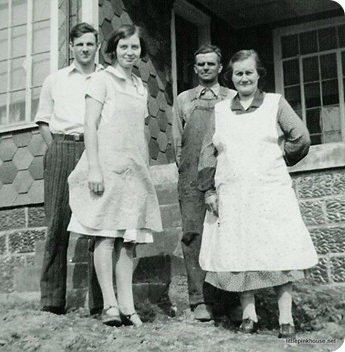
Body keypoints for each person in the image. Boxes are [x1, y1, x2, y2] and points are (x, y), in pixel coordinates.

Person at [198, 49, 318, 338]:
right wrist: (210, 190)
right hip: (233, 196)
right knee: (241, 253)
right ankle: (249, 315)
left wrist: (279, 160)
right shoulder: (221, 110)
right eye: (238, 73)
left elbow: (300, 137)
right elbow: (207, 152)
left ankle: (285, 318)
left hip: (270, 193)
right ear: (231, 77)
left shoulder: (275, 104)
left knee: (279, 251)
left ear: (258, 74)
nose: (243, 78)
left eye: (249, 72)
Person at [67, 24, 163, 327]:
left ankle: (127, 306)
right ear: (113, 49)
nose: (129, 53)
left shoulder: (140, 86)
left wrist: (144, 170)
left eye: (135, 48)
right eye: (123, 47)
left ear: (140, 51)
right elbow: (90, 124)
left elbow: (140, 132)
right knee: (106, 236)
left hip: (133, 171)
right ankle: (109, 305)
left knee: (128, 242)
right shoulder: (101, 80)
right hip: (106, 167)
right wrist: (94, 167)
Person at [36, 22, 104, 315]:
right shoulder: (56, 79)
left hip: (96, 151)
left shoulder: (108, 78)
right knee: (56, 225)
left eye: (90, 44)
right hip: (62, 147)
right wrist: (56, 148)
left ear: (97, 46)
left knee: (99, 224)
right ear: (72, 48)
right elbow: (43, 120)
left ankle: (100, 303)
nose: (85, 49)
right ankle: (52, 301)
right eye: (80, 44)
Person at [172, 44, 237, 321]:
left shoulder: (233, 96)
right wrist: (189, 173)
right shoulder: (183, 99)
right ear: (195, 68)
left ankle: (233, 299)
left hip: (226, 174)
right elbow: (178, 143)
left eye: (211, 63)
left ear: (220, 67)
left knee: (229, 234)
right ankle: (200, 300)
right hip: (190, 179)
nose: (206, 68)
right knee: (193, 235)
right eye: (201, 64)